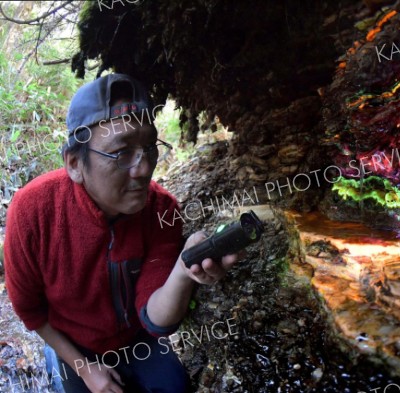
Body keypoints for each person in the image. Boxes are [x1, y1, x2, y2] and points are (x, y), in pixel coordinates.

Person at [4, 73, 238, 393]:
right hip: (73, 342)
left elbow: (155, 318)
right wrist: (86, 370)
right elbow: (30, 311)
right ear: (74, 163)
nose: (143, 169)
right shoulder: (32, 212)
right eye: (121, 152)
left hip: (135, 338)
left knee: (176, 388)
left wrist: (183, 272)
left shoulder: (162, 210)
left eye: (148, 147)